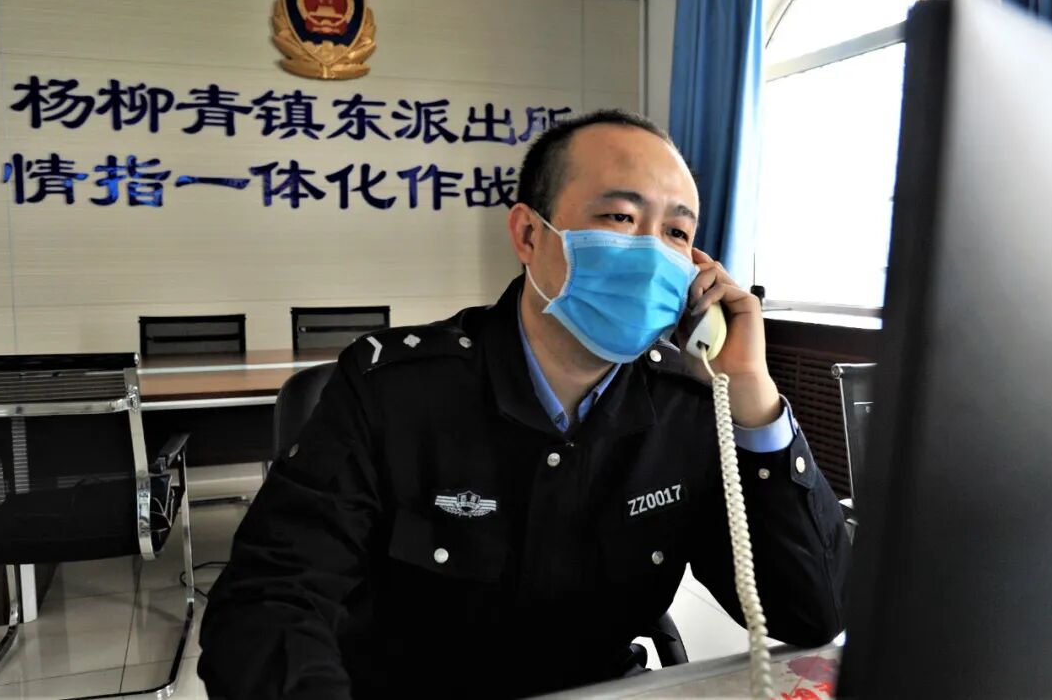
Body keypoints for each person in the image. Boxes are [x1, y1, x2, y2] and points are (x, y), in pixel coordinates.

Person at [198, 110, 850, 699]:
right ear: (528, 234)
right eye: (620, 219)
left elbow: (812, 614)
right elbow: (269, 602)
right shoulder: (391, 391)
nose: (652, 253)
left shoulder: (690, 403)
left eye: (677, 232)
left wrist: (754, 398)